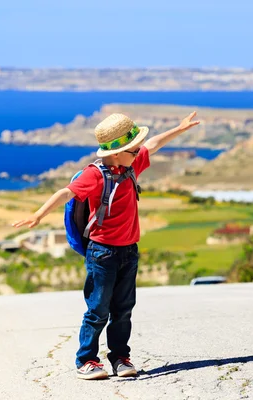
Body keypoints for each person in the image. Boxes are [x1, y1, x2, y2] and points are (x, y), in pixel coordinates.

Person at [12, 111, 200, 379]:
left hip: (129, 251)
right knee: (98, 309)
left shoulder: (131, 166)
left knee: (123, 309)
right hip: (102, 252)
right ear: (115, 152)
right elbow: (66, 192)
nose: (139, 153)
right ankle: (86, 360)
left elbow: (154, 144)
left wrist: (179, 129)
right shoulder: (95, 175)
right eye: (133, 150)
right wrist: (39, 214)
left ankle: (120, 358)